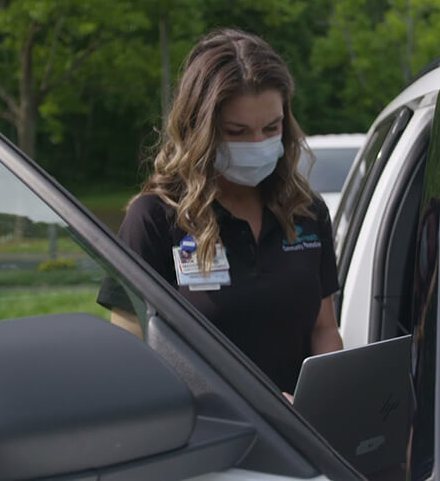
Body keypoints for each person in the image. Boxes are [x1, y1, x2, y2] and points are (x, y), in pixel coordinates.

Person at [97, 28, 343, 394]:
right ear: (200, 130)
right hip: (209, 440)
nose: (258, 144)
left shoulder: (306, 212)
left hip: (301, 442)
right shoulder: (155, 220)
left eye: (270, 128)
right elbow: (129, 362)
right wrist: (261, 408)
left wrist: (326, 401)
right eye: (237, 131)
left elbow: (324, 329)